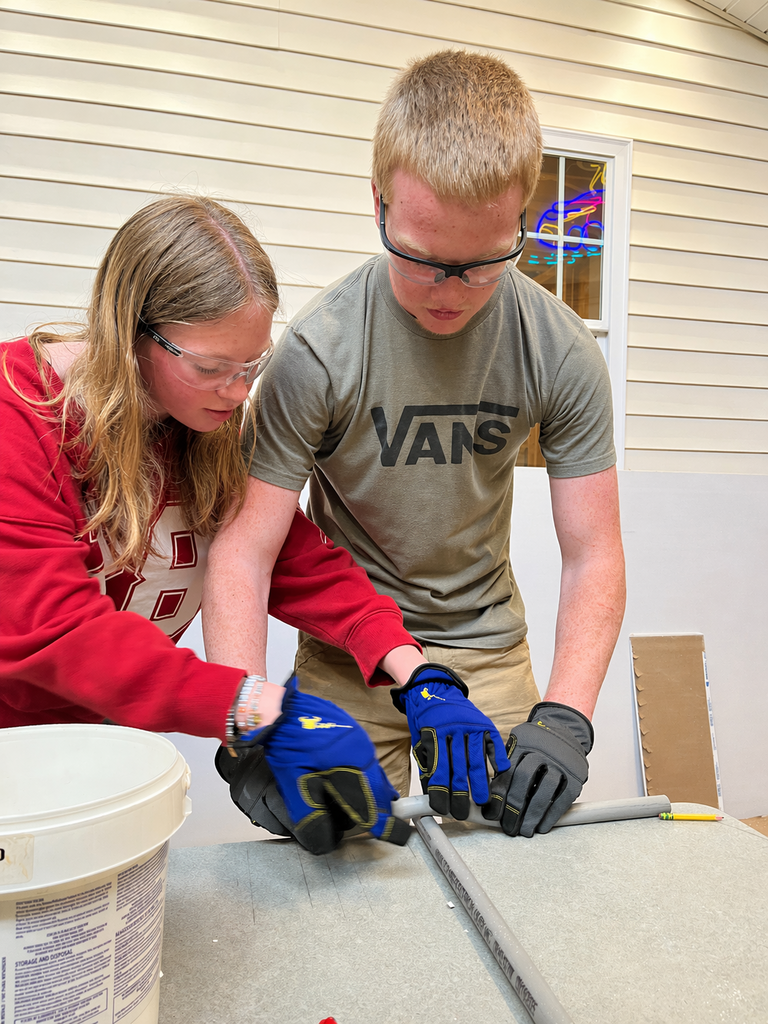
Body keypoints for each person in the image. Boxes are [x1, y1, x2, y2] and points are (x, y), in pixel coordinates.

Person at [204, 50, 627, 839]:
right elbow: (244, 550)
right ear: (378, 206)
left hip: (489, 657)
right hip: (345, 659)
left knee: (512, 882)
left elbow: (593, 551)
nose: (450, 293)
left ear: (521, 225)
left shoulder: (560, 349)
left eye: (482, 266)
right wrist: (247, 720)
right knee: (340, 889)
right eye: (424, 261)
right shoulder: (319, 352)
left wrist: (566, 716)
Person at [0, 193, 484, 855]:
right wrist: (255, 708)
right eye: (211, 368)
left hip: (102, 757)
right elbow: (59, 631)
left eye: (250, 366)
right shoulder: (19, 416)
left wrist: (417, 674)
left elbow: (296, 560)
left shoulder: (201, 430)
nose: (237, 391)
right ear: (132, 329)